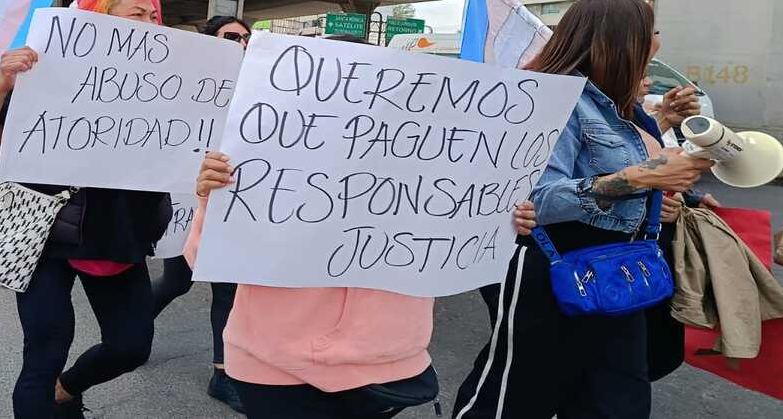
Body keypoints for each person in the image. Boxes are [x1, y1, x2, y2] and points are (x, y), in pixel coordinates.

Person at [186, 33, 538, 419]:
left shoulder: (430, 162)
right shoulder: (263, 154)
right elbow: (203, 259)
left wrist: (504, 222)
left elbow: (460, 253)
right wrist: (211, 198)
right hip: (272, 364)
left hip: (387, 365)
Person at [452, 0, 714, 419]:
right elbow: (534, 199)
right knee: (519, 393)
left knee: (617, 398)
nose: (658, 46)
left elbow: (647, 168)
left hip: (623, 266)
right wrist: (641, 178)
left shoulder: (628, 111)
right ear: (619, 41)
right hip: (553, 267)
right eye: (652, 34)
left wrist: (683, 194)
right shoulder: (552, 98)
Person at [0, 0, 173, 419]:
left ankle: (67, 389)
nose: (150, 24)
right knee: (45, 351)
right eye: (136, 14)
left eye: (154, 16)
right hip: (42, 232)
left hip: (119, 233)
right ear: (96, 19)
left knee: (131, 345)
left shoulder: (167, 85)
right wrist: (0, 86)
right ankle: (47, 389)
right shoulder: (39, 71)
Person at [150, 15, 251, 413]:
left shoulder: (260, 80)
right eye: (232, 36)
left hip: (230, 201)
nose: (241, 42)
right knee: (177, 280)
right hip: (188, 199)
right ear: (212, 41)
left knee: (228, 288)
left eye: (246, 36)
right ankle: (131, 333)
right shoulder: (187, 79)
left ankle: (222, 373)